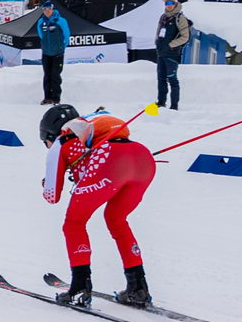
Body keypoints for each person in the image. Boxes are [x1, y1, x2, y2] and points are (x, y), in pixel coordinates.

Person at [40, 105, 157, 308]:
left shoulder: (62, 142)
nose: (48, 146)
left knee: (74, 224)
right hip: (142, 158)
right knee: (116, 219)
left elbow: (52, 196)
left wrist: (46, 182)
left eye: (45, 142)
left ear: (50, 134)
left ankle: (80, 288)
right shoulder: (89, 132)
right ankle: (138, 287)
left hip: (110, 160)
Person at [154, 0, 190, 110]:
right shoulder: (163, 17)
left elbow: (185, 37)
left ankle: (174, 105)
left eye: (171, 3)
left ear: (175, 4)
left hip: (172, 54)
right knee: (161, 79)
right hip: (161, 53)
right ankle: (161, 102)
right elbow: (159, 31)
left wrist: (171, 45)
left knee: (172, 80)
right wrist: (157, 42)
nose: (168, 5)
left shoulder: (180, 18)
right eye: (166, 3)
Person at [36, 0, 68, 104]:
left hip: (57, 53)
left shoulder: (61, 21)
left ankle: (56, 98)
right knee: (47, 75)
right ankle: (47, 97)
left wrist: (61, 47)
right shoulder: (41, 22)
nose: (46, 11)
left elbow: (66, 35)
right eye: (44, 9)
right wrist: (45, 46)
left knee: (55, 75)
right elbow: (41, 35)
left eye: (48, 9)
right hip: (46, 53)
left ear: (52, 9)